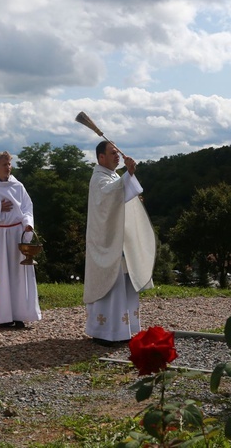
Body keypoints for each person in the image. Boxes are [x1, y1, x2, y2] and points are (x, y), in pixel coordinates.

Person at [84, 141, 155, 345]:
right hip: (106, 244)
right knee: (111, 285)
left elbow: (123, 196)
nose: (117, 156)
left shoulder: (113, 176)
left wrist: (128, 178)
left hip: (120, 242)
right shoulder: (98, 179)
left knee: (124, 284)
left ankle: (123, 328)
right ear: (101, 158)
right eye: (112, 153)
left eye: (117, 152)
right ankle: (105, 331)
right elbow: (110, 195)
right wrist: (129, 174)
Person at [0, 151, 42, 328]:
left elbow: (27, 208)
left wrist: (27, 223)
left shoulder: (19, 186)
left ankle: (19, 314)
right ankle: (2, 316)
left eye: (9, 164)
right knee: (2, 274)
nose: (8, 167)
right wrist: (0, 207)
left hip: (17, 233)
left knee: (18, 274)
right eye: (4, 164)